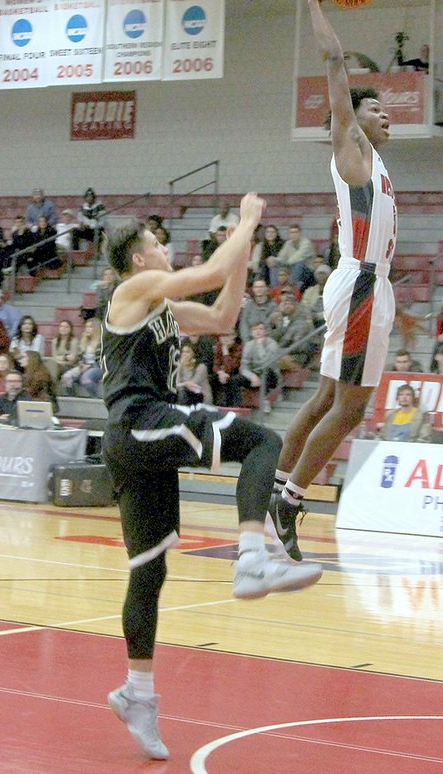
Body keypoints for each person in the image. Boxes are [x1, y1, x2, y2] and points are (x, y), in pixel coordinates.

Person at [102, 194, 322, 760]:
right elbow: (208, 272)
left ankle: (138, 694)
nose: (164, 247)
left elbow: (224, 314)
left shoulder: (165, 310)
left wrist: (245, 241)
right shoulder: (132, 292)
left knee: (148, 574)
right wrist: (245, 221)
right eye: (155, 243)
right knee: (263, 440)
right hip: (139, 421)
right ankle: (251, 558)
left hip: (138, 441)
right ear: (136, 261)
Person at [268, 0, 397, 564]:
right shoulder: (352, 147)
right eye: (377, 109)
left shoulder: (376, 164)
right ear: (353, 120)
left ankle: (270, 488)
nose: (386, 114)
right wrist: (315, 4)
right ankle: (290, 501)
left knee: (326, 401)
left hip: (368, 284)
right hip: (362, 283)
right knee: (350, 407)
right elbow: (335, 66)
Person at [240, 321, 280, 409]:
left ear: (265, 331)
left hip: (271, 375)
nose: (257, 331)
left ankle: (265, 401)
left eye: (260, 329)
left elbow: (266, 364)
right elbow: (244, 366)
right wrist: (251, 376)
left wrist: (259, 346)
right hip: (255, 374)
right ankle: (235, 406)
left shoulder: (272, 344)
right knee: (236, 379)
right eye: (254, 329)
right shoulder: (248, 345)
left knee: (266, 372)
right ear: (251, 332)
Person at [59, 317, 103, 397]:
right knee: (66, 378)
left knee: (86, 379)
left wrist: (90, 366)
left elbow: (103, 360)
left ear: (96, 329)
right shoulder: (84, 342)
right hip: (84, 366)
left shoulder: (101, 343)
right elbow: (80, 358)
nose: (87, 329)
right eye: (86, 327)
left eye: (90, 327)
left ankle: (95, 399)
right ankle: (72, 398)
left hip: (97, 367)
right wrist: (81, 365)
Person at [276, 224, 317, 291]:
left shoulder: (306, 243)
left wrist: (285, 262)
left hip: (308, 271)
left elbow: (297, 257)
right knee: (274, 265)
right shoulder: (288, 243)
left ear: (300, 233)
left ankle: (294, 289)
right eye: (291, 233)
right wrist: (275, 260)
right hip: (291, 268)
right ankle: (275, 288)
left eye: (295, 232)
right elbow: (281, 256)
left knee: (299, 264)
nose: (293, 234)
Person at [211, 331, 244, 408]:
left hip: (236, 372)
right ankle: (214, 405)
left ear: (234, 336)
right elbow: (215, 364)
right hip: (223, 372)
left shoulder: (239, 347)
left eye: (226, 336)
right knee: (211, 379)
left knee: (231, 380)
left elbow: (231, 367)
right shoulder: (219, 345)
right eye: (221, 336)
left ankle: (233, 407)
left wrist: (225, 352)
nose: (223, 339)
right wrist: (220, 373)